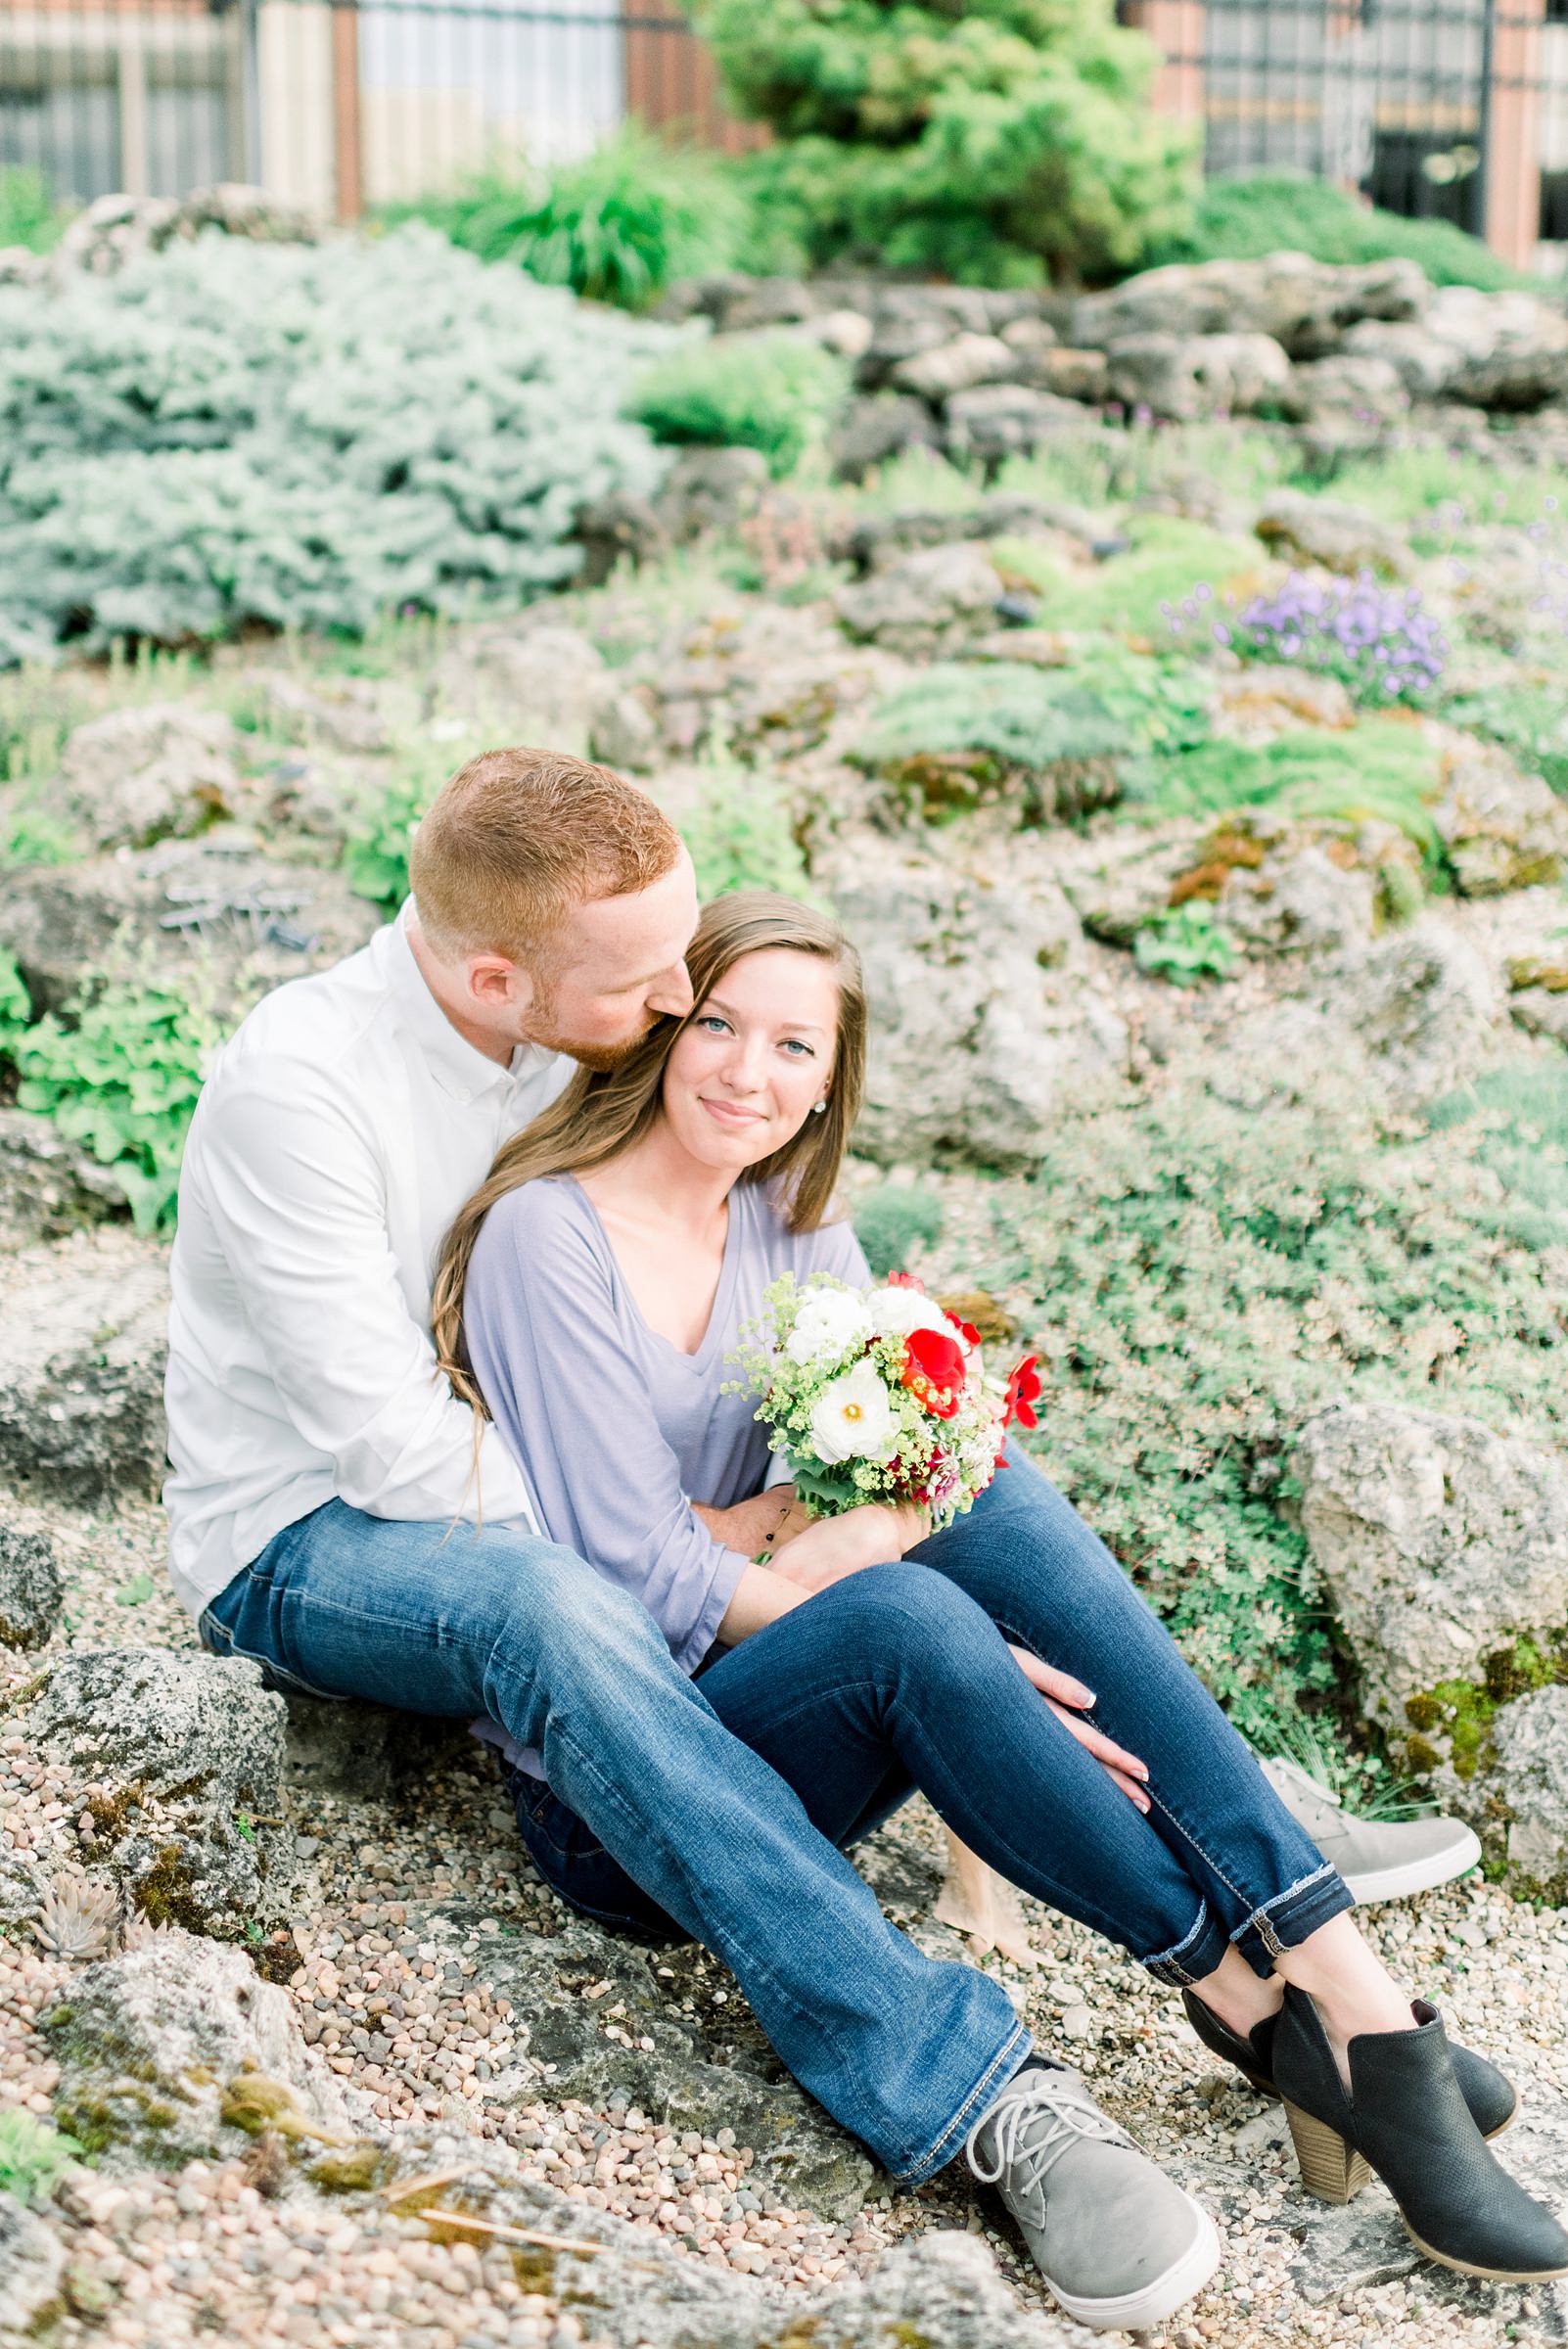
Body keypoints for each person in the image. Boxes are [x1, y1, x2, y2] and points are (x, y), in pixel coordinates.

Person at [431, 884, 1568, 2305]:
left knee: (976, 1485)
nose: (748, 1072)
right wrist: (864, 1578)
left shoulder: (793, 1233)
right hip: (625, 1790)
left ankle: (1341, 2000)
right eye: (720, 1023)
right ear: (664, 1022)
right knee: (912, 1614)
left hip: (777, 1699)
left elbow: (892, 1476)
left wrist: (800, 1529)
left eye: (796, 1048)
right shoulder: (551, 1239)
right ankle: (1275, 2016)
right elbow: (632, 1578)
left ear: (830, 1081)